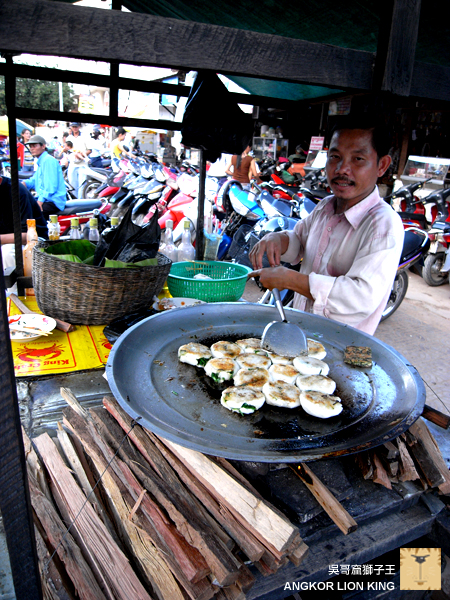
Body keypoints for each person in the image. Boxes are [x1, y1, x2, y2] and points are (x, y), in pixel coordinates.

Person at [249, 116, 405, 336]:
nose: (342, 169)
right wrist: (279, 239)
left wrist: (290, 280)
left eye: (358, 159)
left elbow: (359, 299)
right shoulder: (325, 207)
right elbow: (300, 239)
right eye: (335, 157)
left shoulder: (382, 225)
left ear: (382, 165)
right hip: (302, 333)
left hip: (340, 348)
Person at [23, 135, 66, 220]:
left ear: (43, 146)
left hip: (52, 200)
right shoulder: (41, 161)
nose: (32, 149)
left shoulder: (48, 160)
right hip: (46, 199)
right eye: (30, 147)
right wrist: (23, 184)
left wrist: (40, 201)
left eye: (34, 146)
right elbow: (34, 180)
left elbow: (50, 187)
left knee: (29, 216)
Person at [67, 122, 91, 196]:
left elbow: (89, 150)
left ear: (79, 127)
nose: (74, 128)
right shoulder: (69, 138)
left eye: (76, 127)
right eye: (73, 127)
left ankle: (81, 202)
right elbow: (67, 150)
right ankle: (75, 201)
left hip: (82, 164)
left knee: (82, 185)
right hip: (73, 164)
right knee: (72, 185)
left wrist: (82, 156)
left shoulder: (84, 136)